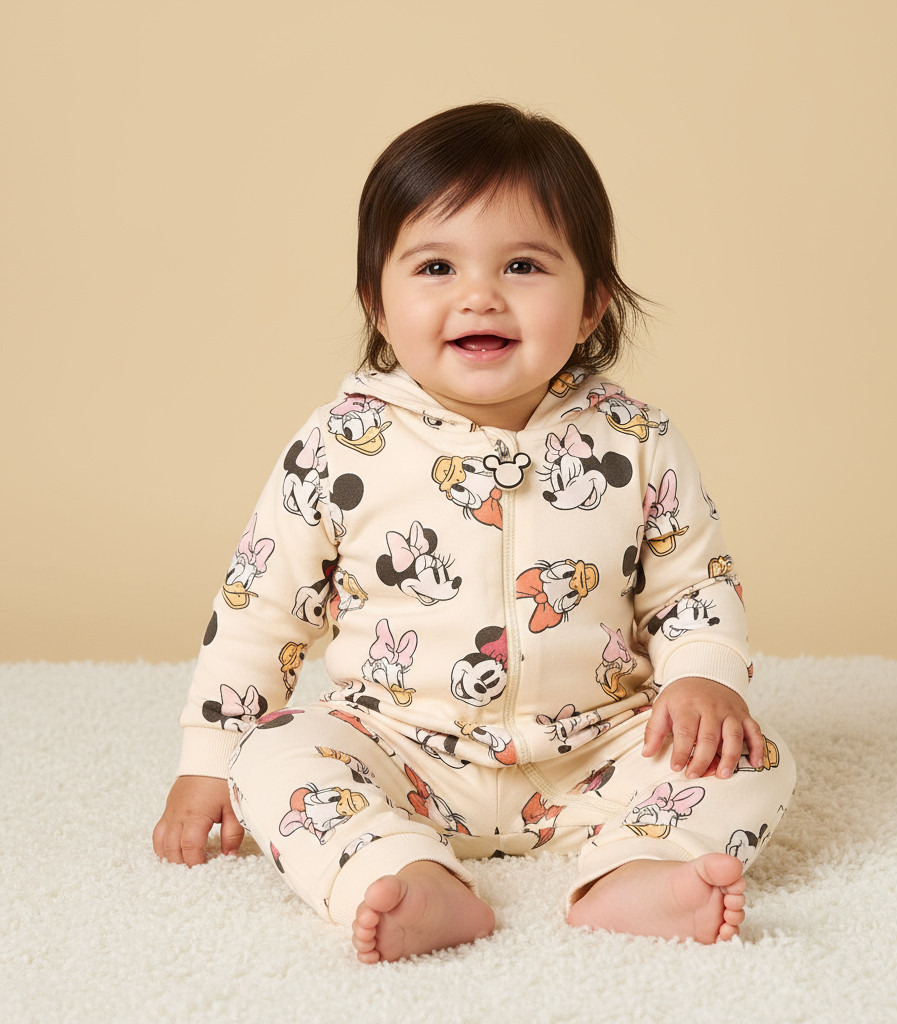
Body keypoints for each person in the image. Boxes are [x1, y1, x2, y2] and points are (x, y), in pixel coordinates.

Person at [152, 102, 795, 963]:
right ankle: (401, 874)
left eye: (523, 265)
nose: (479, 294)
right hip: (402, 749)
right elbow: (262, 607)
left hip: (596, 749)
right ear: (378, 304)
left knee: (754, 758)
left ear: (593, 302)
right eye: (435, 266)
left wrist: (704, 680)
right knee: (272, 755)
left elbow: (693, 584)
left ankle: (637, 870)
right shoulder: (343, 442)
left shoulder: (635, 440)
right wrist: (208, 756)